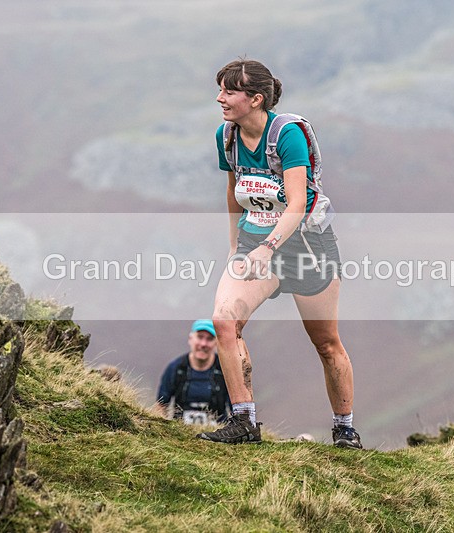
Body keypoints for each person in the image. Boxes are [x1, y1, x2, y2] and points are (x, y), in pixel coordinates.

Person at [196, 58, 362, 449]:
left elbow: (297, 203)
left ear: (256, 99)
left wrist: (269, 247)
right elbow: (233, 191)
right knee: (224, 321)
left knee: (326, 343)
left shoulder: (287, 135)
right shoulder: (227, 136)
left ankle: (344, 429)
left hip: (306, 247)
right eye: (220, 90)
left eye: (229, 91)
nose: (220, 98)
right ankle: (244, 422)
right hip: (255, 244)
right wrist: (236, 247)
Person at [156, 320, 231, 425]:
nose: (203, 344)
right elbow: (161, 406)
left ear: (216, 343)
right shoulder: (175, 368)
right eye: (200, 337)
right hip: (180, 431)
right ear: (190, 339)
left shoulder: (226, 370)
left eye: (209, 339)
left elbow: (236, 409)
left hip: (219, 432)